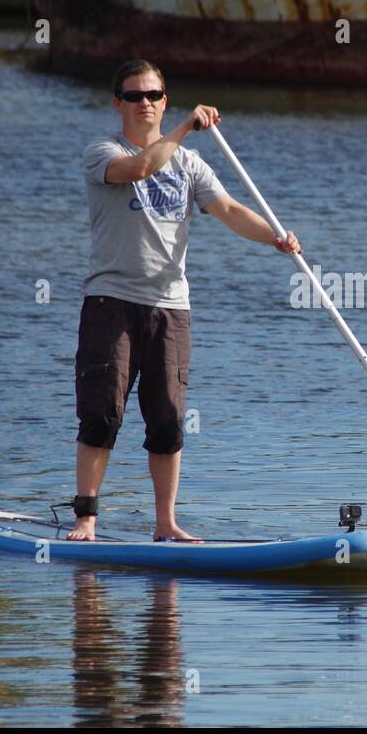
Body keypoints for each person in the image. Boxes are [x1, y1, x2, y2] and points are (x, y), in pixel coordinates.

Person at [71, 60, 300, 541]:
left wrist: (275, 238)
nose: (145, 103)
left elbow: (231, 210)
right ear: (119, 104)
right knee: (103, 412)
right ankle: (87, 519)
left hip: (171, 306)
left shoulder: (189, 163)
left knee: (170, 418)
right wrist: (186, 127)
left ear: (164, 99)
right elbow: (142, 166)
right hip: (111, 301)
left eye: (153, 95)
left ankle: (166, 524)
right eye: (134, 96)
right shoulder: (102, 153)